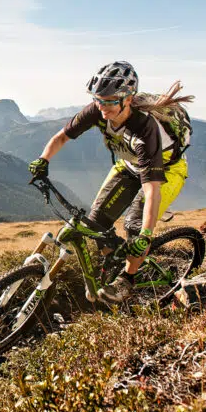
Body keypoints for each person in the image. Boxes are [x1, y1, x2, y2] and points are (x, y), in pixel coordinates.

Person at [28, 61, 193, 303]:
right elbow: (62, 137)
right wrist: (43, 160)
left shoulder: (144, 130)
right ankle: (113, 260)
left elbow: (151, 190)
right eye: (98, 99)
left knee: (135, 226)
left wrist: (146, 235)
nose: (102, 106)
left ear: (128, 98)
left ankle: (127, 279)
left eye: (110, 101)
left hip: (166, 171)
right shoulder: (97, 110)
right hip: (128, 165)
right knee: (95, 223)